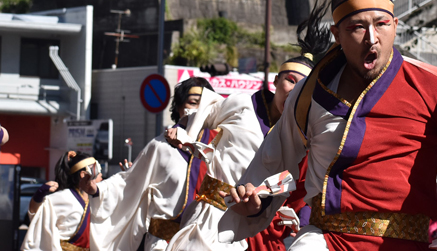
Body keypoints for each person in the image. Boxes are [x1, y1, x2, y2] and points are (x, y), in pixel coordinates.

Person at [219, 0, 437, 251]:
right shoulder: (309, 92)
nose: (371, 37)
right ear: (336, 34)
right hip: (325, 240)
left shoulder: (434, 86)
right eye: (356, 27)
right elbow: (274, 159)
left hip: (405, 243)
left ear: (396, 25)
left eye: (381, 24)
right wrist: (253, 200)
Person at [91, 77, 217, 251]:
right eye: (193, 103)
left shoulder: (218, 148)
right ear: (179, 107)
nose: (199, 110)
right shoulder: (159, 147)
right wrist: (98, 191)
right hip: (163, 244)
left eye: (205, 105)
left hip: (206, 243)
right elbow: (129, 183)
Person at [246, 0, 332, 251]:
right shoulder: (245, 109)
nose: (294, 91)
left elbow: (309, 192)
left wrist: (301, 223)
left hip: (284, 233)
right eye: (289, 81)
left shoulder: (310, 137)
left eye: (302, 86)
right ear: (275, 80)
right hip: (236, 217)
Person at [164, 74, 265, 250]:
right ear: (179, 106)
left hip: (230, 224)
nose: (195, 110)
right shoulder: (163, 144)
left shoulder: (226, 136)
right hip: (188, 224)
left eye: (200, 104)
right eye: (192, 102)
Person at [22, 151, 101, 251]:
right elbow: (36, 215)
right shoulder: (64, 197)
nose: (100, 174)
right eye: (96, 169)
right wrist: (39, 195)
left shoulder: (95, 198)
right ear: (83, 174)